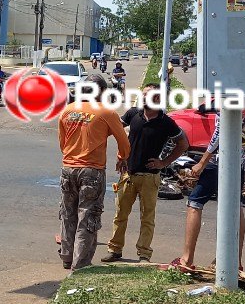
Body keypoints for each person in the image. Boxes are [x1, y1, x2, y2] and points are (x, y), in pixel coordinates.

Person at [102, 84, 189, 263]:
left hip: (150, 177)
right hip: (128, 174)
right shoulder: (133, 114)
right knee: (120, 215)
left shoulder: (166, 122)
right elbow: (116, 131)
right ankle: (115, 250)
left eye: (147, 95)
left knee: (147, 218)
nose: (143, 98)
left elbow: (183, 144)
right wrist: (121, 155)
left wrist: (164, 162)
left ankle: (144, 254)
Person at [169, 108, 245, 271]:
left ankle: (186, 259)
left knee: (195, 201)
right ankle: (234, 262)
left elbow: (220, 132)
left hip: (221, 158)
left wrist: (202, 162)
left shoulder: (231, 94)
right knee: (236, 205)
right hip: (241, 157)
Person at [57, 74, 130, 270]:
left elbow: (62, 143)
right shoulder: (107, 112)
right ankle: (80, 265)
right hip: (92, 171)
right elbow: (124, 143)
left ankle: (66, 256)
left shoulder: (68, 110)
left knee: (68, 213)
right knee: (87, 216)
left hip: (68, 168)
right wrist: (122, 157)